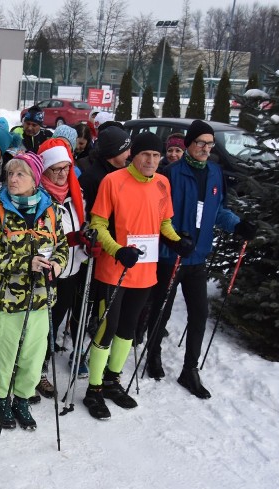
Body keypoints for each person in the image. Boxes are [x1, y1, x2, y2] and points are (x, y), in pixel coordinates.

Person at [83, 132, 194, 420]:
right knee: (107, 328)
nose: (152, 160)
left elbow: (164, 222)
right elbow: (98, 224)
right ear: (133, 154)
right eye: (146, 154)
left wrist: (176, 240)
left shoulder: (162, 183)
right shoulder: (114, 181)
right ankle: (93, 390)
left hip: (145, 272)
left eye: (157, 156)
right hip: (114, 271)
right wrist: (117, 250)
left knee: (128, 330)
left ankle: (112, 381)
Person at [144, 120, 257, 398]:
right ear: (188, 145)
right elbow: (156, 214)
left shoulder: (216, 173)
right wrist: (172, 239)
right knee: (161, 310)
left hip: (197, 258)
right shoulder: (170, 174)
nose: (206, 148)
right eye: (200, 143)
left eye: (209, 144)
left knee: (199, 315)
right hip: (171, 257)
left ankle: (189, 370)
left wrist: (238, 225)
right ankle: (153, 354)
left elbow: (219, 211)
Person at [0, 152, 68, 430]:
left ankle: (22, 398)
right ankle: (1, 400)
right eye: (10, 174)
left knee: (33, 354)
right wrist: (24, 263)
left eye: (20, 174)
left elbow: (63, 246)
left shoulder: (51, 210)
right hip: (7, 299)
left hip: (41, 298)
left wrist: (56, 265)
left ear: (35, 179)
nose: (13, 179)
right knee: (4, 354)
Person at [37, 138, 90, 397]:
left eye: (65, 168)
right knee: (39, 324)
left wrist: (87, 242)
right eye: (54, 169)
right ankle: (32, 370)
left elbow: (83, 226)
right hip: (45, 272)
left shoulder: (75, 197)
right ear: (44, 170)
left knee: (55, 321)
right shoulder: (36, 197)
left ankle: (41, 365)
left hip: (71, 269)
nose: (60, 174)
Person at [77, 125, 132, 216]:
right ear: (114, 151)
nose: (129, 154)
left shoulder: (128, 172)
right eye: (126, 150)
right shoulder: (90, 179)